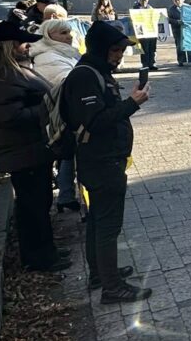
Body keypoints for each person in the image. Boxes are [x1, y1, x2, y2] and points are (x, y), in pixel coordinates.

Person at [64, 21, 152, 303]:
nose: (119, 56)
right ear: (101, 49)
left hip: (106, 160)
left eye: (122, 51)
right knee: (107, 225)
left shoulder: (97, 72)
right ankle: (112, 287)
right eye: (115, 50)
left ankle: (102, 273)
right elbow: (96, 121)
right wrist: (132, 103)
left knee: (98, 221)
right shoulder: (85, 76)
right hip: (101, 162)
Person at [0, 21, 69, 272]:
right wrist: (47, 107)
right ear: (9, 46)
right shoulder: (3, 76)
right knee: (32, 208)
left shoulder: (13, 71)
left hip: (30, 150)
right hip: (23, 152)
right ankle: (39, 258)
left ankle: (44, 251)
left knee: (38, 204)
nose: (26, 45)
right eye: (21, 42)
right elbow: (9, 116)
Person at [30, 19, 83, 213]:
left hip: (68, 110)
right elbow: (67, 82)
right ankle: (68, 195)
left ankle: (66, 195)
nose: (68, 36)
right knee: (70, 153)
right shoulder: (47, 57)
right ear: (48, 35)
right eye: (62, 33)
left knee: (68, 155)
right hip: (62, 112)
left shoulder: (64, 51)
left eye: (69, 32)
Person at [167, 0, 191, 67]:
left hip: (188, 29)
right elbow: (169, 20)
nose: (176, 1)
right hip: (177, 30)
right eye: (174, 0)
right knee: (180, 46)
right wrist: (177, 22)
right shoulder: (171, 9)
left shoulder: (187, 7)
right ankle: (181, 61)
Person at [133, 0, 159, 70]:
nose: (144, 1)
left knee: (152, 48)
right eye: (142, 0)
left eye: (145, 0)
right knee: (145, 49)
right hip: (142, 33)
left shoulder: (150, 8)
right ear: (139, 1)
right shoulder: (135, 9)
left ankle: (152, 63)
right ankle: (145, 64)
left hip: (151, 31)